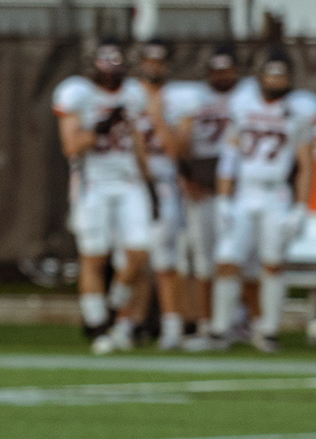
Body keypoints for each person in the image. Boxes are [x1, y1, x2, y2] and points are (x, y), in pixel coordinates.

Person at [209, 47, 316, 352]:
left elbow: (306, 165)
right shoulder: (243, 104)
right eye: (271, 74)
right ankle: (221, 328)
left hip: (276, 192)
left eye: (281, 75)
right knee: (228, 259)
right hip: (245, 191)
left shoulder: (299, 110)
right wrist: (223, 197)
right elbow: (230, 156)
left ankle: (268, 331)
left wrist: (301, 207)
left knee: (273, 263)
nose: (276, 81)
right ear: (260, 77)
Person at [52, 39, 153, 354]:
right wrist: (101, 128)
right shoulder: (78, 94)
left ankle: (111, 308)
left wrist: (150, 180)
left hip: (128, 182)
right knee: (94, 257)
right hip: (92, 182)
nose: (111, 77)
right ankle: (97, 326)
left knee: (138, 253)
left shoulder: (134, 94)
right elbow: (70, 145)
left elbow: (137, 142)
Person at [168, 44, 246, 351]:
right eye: (217, 70)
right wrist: (186, 177)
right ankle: (205, 322)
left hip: (241, 186)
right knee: (203, 261)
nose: (222, 76)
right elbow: (181, 145)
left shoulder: (250, 97)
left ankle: (240, 322)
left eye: (227, 70)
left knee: (240, 260)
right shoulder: (192, 98)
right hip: (201, 183)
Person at [130, 40, 187, 350]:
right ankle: (127, 324)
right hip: (131, 182)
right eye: (148, 61)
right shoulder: (125, 95)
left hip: (163, 181)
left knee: (166, 258)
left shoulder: (177, 99)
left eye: (159, 61)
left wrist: (158, 116)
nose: (153, 67)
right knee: (132, 258)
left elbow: (177, 150)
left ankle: (172, 326)